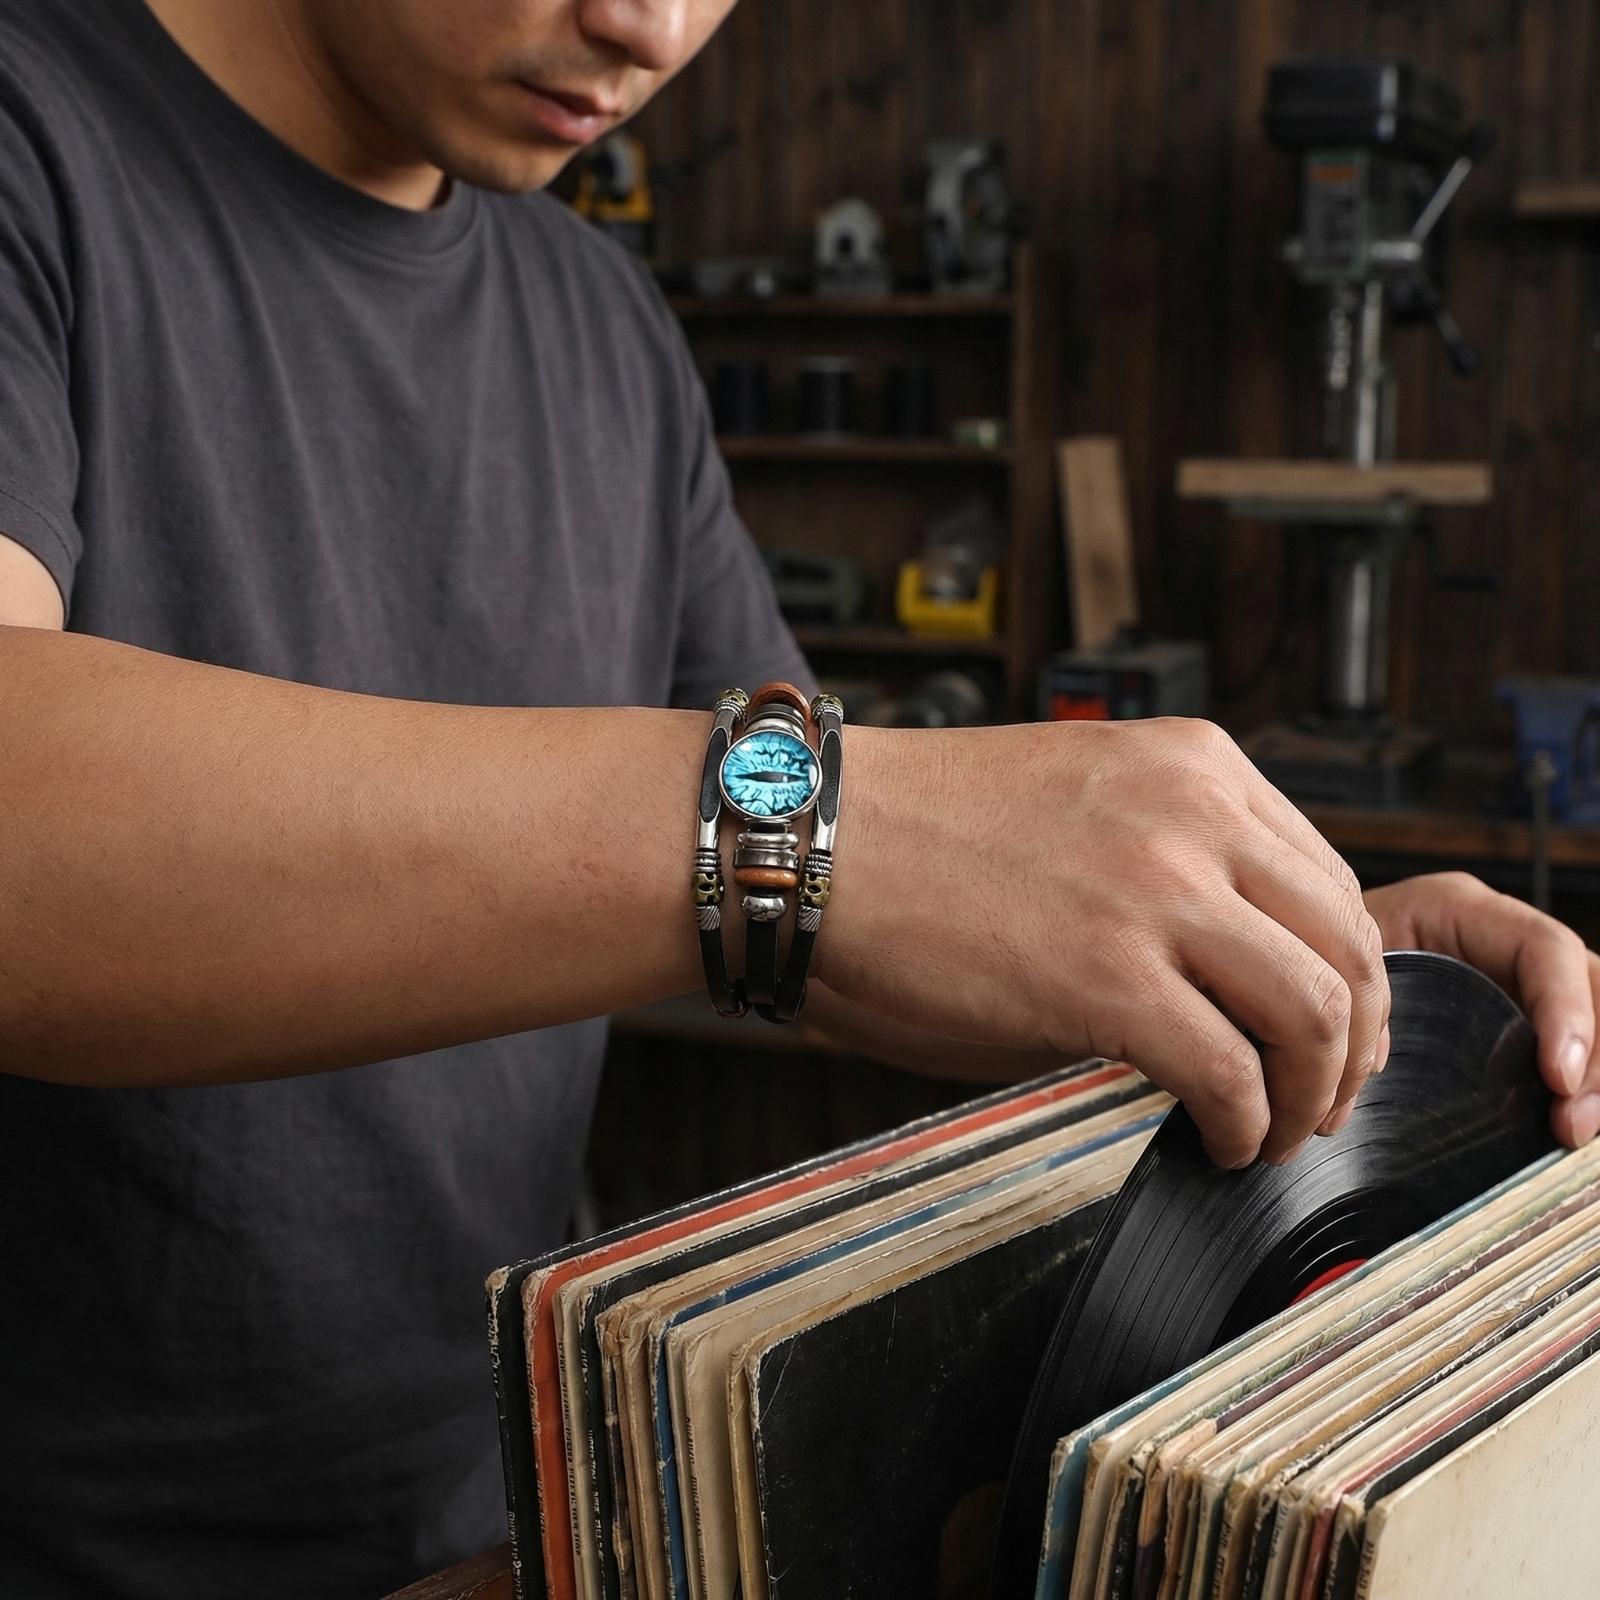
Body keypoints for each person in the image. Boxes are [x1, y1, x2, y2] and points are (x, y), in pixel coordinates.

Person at [0, 1, 1593, 1595]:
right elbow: (795, 848)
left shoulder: (598, 318)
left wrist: (1257, 959)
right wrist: (821, 832)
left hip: (527, 1525)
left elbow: (825, 920)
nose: (648, 26)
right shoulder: (36, 138)